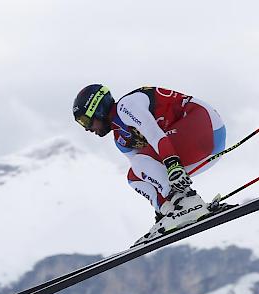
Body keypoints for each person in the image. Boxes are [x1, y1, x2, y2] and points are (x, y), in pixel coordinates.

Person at [72, 84, 227, 245]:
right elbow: (148, 173)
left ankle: (188, 202)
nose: (87, 129)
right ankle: (174, 209)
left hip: (204, 125)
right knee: (134, 177)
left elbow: (154, 134)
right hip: (197, 148)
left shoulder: (127, 106)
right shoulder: (121, 140)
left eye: (85, 121)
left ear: (98, 109)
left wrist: (173, 164)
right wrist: (164, 208)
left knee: (140, 161)